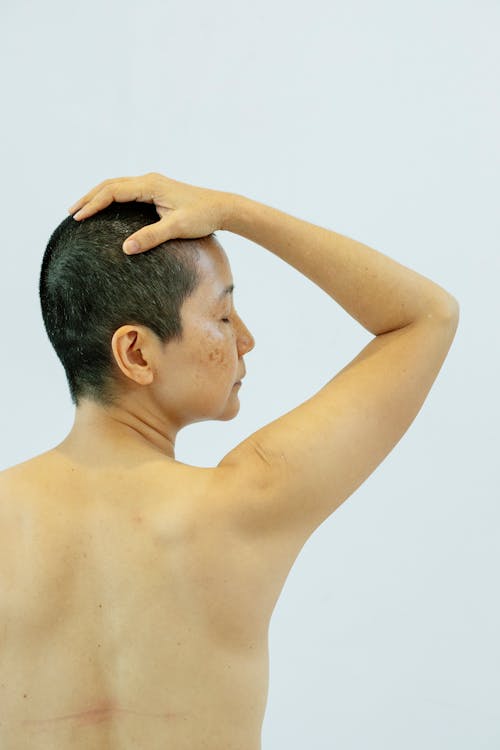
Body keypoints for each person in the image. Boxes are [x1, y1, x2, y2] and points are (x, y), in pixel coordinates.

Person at [0, 171, 459, 749]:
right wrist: (237, 212)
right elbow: (427, 317)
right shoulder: (248, 504)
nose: (245, 339)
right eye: (222, 316)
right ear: (137, 352)